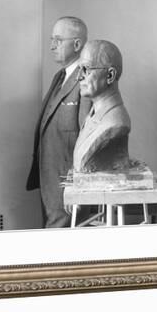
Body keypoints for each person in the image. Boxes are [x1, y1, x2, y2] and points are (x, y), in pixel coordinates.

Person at [26, 16, 91, 228]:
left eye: (58, 39)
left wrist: (77, 181)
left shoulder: (86, 80)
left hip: (67, 178)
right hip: (50, 175)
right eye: (51, 39)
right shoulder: (60, 77)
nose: (52, 45)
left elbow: (87, 136)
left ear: (77, 44)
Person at [73, 40, 131, 173]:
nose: (79, 77)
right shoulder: (93, 114)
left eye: (86, 69)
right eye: (79, 69)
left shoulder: (115, 123)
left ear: (110, 75)